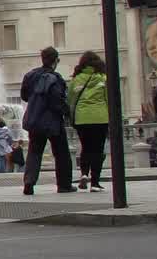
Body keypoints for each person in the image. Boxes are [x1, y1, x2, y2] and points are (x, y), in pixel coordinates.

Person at [20, 46, 75, 195]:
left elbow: (24, 96)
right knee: (61, 153)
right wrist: (67, 112)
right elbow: (57, 100)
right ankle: (64, 185)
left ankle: (29, 182)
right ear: (55, 60)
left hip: (35, 119)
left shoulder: (30, 76)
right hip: (52, 121)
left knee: (34, 152)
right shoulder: (56, 78)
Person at [68, 50, 110, 190]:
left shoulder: (76, 79)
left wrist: (71, 117)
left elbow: (70, 100)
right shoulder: (103, 78)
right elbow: (109, 99)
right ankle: (95, 182)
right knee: (98, 149)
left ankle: (84, 173)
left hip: (82, 118)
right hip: (100, 117)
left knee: (85, 147)